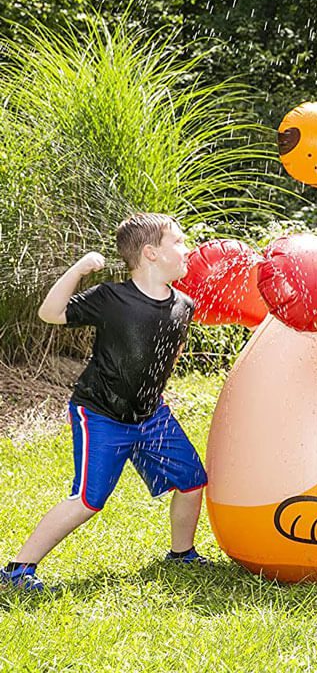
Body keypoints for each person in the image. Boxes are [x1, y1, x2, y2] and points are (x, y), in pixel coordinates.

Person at [1, 213, 208, 591]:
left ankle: (182, 554)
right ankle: (17, 569)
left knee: (193, 480)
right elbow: (50, 313)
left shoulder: (183, 305)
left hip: (150, 416)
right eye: (178, 242)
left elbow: (169, 355)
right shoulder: (111, 298)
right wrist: (79, 269)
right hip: (101, 414)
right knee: (88, 500)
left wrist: (154, 396)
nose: (187, 248)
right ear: (150, 254)